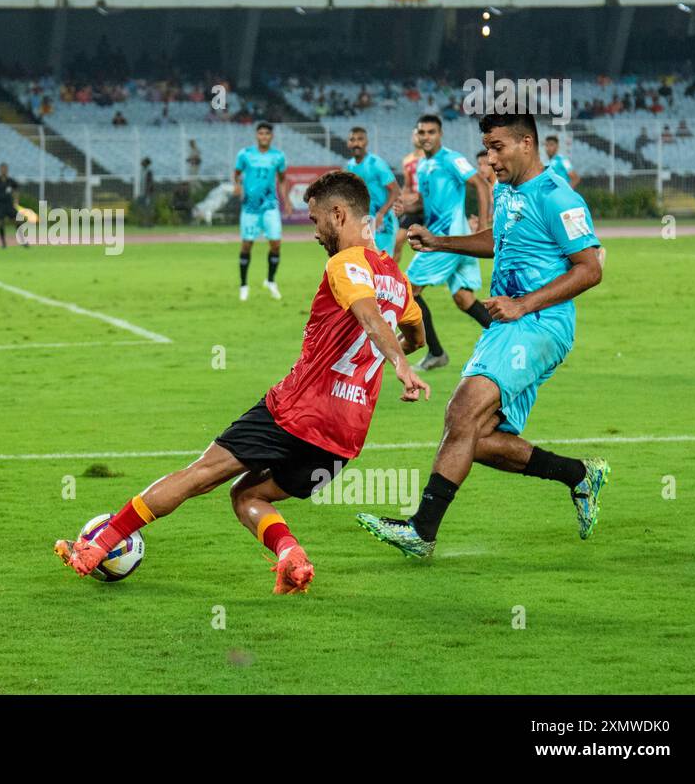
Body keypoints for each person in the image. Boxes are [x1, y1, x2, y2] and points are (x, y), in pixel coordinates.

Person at [55, 172, 428, 594]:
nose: (314, 232)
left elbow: (366, 314)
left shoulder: (344, 264)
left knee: (200, 474)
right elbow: (416, 336)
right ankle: (292, 557)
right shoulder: (399, 280)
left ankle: (97, 547)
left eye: (315, 220)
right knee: (247, 496)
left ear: (339, 215)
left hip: (297, 411)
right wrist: (396, 358)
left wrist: (395, 361)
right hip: (345, 437)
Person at [358, 111, 608, 558]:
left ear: (526, 144)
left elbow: (590, 270)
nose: (490, 159)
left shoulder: (558, 197)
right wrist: (440, 242)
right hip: (507, 325)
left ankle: (422, 531)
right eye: (487, 148)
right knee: (475, 436)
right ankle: (578, 475)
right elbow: (500, 241)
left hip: (539, 324)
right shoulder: (510, 191)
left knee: (461, 410)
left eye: (498, 148)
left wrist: (521, 303)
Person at [394, 114, 493, 372]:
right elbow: (426, 205)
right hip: (450, 241)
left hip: (446, 241)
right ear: (417, 136)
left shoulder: (450, 159)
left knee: (407, 290)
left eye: (431, 132)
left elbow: (481, 184)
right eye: (422, 132)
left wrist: (482, 227)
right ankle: (507, 339)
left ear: (440, 134)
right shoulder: (423, 166)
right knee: (463, 298)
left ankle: (433, 351)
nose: (426, 137)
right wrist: (406, 205)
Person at [234, 121, 288, 301]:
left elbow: (281, 179)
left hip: (270, 207)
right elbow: (236, 173)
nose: (264, 136)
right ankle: (243, 285)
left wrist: (286, 200)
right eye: (261, 133)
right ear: (257, 135)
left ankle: (271, 281)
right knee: (247, 245)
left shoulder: (278, 157)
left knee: (276, 244)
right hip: (250, 208)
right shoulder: (245, 154)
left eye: (267, 133)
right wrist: (237, 186)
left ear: (271, 136)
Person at [344, 126, 399, 255]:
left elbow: (395, 191)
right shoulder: (350, 165)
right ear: (348, 143)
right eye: (352, 140)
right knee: (367, 264)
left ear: (366, 142)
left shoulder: (376, 163)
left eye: (360, 139)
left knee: (383, 264)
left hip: (383, 222)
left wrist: (381, 213)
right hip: (364, 221)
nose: (356, 143)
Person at [394, 129, 424, 265]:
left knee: (439, 244)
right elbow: (407, 186)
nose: (418, 137)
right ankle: (391, 277)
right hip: (415, 207)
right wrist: (402, 199)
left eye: (421, 134)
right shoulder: (407, 160)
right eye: (416, 134)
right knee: (397, 241)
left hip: (431, 205)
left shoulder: (431, 158)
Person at [0, 163, 23, 248]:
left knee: (18, 221)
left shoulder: (10, 181)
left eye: (5, 169)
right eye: (2, 169)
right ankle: (3, 242)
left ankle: (22, 240)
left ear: (7, 170)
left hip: (9, 205)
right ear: (0, 170)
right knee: (0, 223)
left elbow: (16, 190)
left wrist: (16, 200)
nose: (4, 170)